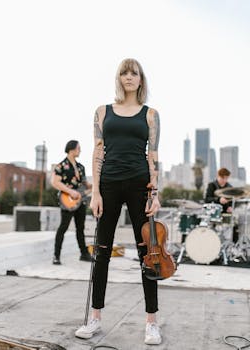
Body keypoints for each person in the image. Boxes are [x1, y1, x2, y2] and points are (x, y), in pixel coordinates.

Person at [74, 58, 163, 345]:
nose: (128, 77)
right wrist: (96, 192)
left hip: (139, 186)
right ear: (119, 78)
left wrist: (155, 193)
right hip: (109, 185)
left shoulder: (151, 115)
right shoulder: (103, 112)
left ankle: (151, 322)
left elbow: (154, 156)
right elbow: (97, 153)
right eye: (124, 72)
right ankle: (95, 318)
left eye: (133, 73)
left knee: (147, 254)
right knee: (101, 253)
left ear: (140, 79)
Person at [51, 140, 93, 265]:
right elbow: (55, 182)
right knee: (63, 227)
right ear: (71, 149)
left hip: (81, 202)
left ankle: (84, 254)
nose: (80, 150)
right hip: (67, 201)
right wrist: (70, 192)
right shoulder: (61, 166)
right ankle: (56, 255)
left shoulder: (81, 167)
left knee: (80, 228)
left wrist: (95, 185)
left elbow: (85, 184)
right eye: (78, 148)